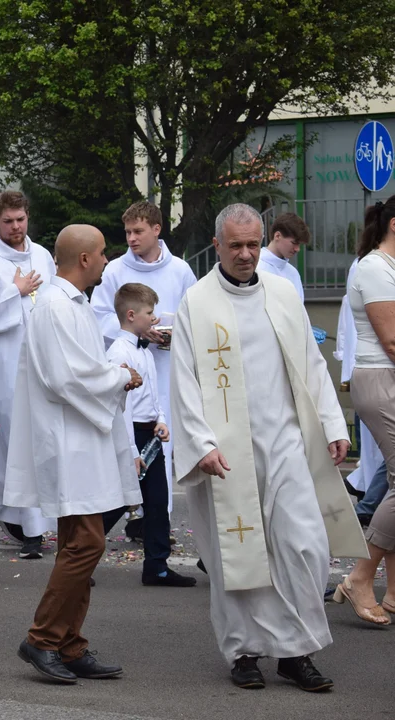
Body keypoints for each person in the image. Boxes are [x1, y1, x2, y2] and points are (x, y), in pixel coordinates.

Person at [170, 203, 365, 691]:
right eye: (235, 245)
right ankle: (245, 652)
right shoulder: (196, 302)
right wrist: (200, 444)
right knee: (239, 555)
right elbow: (184, 383)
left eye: (252, 244)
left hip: (284, 442)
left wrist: (332, 425)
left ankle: (297, 651)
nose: (245, 254)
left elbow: (310, 365)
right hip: (227, 452)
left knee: (304, 546)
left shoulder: (281, 292)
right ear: (216, 245)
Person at [4, 225, 140, 685]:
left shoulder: (75, 305)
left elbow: (84, 367)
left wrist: (114, 372)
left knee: (77, 544)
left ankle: (70, 643)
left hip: (83, 439)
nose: (107, 260)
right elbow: (67, 378)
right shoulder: (56, 307)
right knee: (87, 543)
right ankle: (42, 638)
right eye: (102, 253)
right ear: (84, 259)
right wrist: (119, 377)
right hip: (66, 442)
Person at [90, 201, 197, 536]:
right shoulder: (116, 270)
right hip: (128, 366)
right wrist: (135, 330)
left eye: (138, 231)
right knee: (129, 445)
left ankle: (156, 523)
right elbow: (99, 315)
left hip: (167, 367)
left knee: (162, 444)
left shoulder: (180, 271)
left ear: (156, 229)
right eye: (127, 232)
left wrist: (172, 331)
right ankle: (127, 517)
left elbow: (195, 313)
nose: (131, 239)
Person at [0, 190, 54, 557]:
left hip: (42, 360)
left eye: (21, 219)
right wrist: (13, 292)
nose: (16, 227)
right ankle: (18, 519)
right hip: (4, 364)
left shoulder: (43, 256)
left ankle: (37, 523)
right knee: (9, 443)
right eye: (8, 221)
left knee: (41, 441)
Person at [101, 283, 195, 587]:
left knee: (157, 500)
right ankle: (76, 555)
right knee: (117, 502)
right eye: (149, 313)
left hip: (150, 434)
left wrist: (161, 419)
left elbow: (153, 394)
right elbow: (122, 408)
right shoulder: (119, 353)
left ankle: (157, 566)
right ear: (131, 315)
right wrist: (131, 451)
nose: (154, 318)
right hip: (133, 437)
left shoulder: (146, 349)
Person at [339, 197, 395, 627]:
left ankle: (392, 590)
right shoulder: (375, 268)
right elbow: (391, 340)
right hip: (379, 378)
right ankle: (360, 577)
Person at [258, 213, 309, 301]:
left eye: (299, 244)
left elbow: (300, 310)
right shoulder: (255, 268)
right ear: (277, 236)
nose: (297, 249)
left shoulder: (293, 273)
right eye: (294, 243)